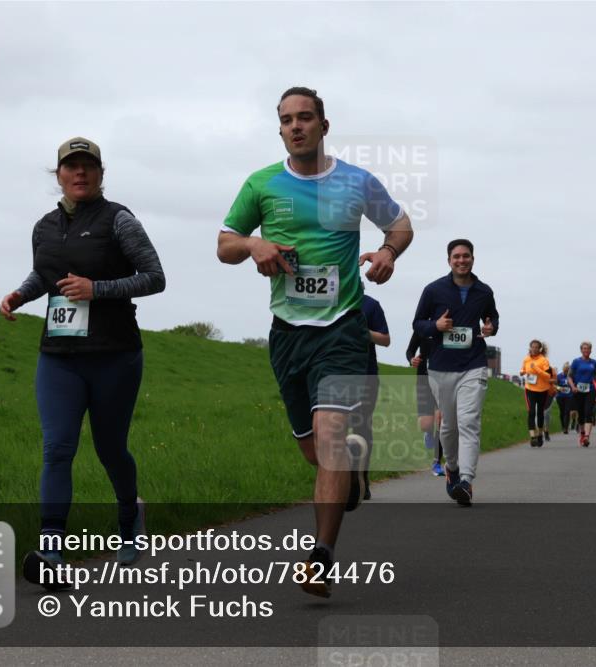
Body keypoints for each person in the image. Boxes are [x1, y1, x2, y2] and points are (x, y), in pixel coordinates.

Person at [217, 87, 413, 598]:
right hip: (287, 334)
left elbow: (401, 222)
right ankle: (348, 469)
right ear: (279, 129)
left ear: (325, 125)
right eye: (286, 120)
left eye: (305, 117)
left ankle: (321, 555)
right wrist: (254, 243)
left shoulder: (356, 181)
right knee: (314, 450)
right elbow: (224, 244)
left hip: (343, 328)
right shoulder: (261, 184)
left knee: (328, 438)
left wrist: (389, 251)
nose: (296, 125)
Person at [0, 137, 166, 587]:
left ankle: (130, 517)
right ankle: (52, 552)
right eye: (71, 167)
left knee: (110, 448)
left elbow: (155, 278)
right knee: (57, 448)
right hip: (58, 355)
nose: (79, 174)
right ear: (58, 175)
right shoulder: (44, 227)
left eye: (87, 167)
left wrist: (98, 289)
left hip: (114, 355)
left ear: (100, 173)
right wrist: (20, 294)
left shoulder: (119, 221)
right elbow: (45, 273)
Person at [413, 239, 499, 506]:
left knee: (469, 422)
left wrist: (490, 327)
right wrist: (435, 325)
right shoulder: (434, 290)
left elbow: (492, 318)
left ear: (473, 258)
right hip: (441, 366)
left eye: (466, 256)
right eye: (456, 257)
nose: (461, 260)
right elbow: (417, 324)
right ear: (449, 260)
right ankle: (451, 467)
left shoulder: (484, 292)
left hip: (473, 364)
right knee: (448, 427)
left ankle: (466, 480)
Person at [353, 293, 390, 499]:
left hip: (365, 376)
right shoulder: (328, 300)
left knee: (362, 428)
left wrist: (363, 332)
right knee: (333, 429)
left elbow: (385, 339)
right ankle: (340, 481)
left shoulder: (371, 305)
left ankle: (361, 479)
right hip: (332, 376)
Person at [406, 331, 444, 476]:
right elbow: (410, 350)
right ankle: (428, 432)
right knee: (425, 424)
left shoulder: (448, 326)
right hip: (423, 380)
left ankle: (436, 462)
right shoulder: (422, 328)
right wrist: (411, 360)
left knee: (440, 420)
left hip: (441, 379)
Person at [520, 339, 556, 447]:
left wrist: (536, 369)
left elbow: (548, 376)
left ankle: (540, 434)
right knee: (531, 412)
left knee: (540, 413)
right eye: (532, 347)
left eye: (536, 347)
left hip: (542, 390)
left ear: (539, 349)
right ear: (530, 348)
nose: (534, 349)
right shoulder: (526, 359)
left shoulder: (543, 360)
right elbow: (523, 369)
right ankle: (532, 437)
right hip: (529, 389)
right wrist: (522, 372)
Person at [568, 341, 596, 447]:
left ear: (591, 350)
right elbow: (569, 376)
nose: (586, 350)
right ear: (581, 350)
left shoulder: (594, 362)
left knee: (588, 412)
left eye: (588, 348)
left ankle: (586, 437)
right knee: (581, 414)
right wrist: (573, 387)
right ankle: (582, 433)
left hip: (590, 390)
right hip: (578, 390)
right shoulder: (576, 361)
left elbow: (595, 376)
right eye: (584, 348)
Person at [555, 362, 573, 434]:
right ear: (563, 370)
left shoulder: (571, 377)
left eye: (568, 371)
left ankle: (566, 428)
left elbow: (574, 384)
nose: (566, 372)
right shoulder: (559, 376)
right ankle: (562, 426)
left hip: (569, 396)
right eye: (565, 370)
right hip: (560, 396)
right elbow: (555, 385)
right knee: (562, 412)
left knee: (567, 411)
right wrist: (559, 388)